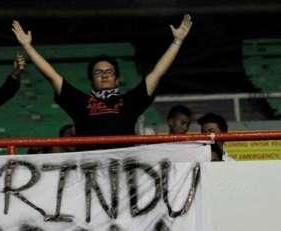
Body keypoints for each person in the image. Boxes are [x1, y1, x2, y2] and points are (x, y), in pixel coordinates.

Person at [12, 15, 193, 147]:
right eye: (98, 72)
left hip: (124, 173)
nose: (104, 75)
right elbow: (51, 75)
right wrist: (27, 46)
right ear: (91, 80)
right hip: (88, 175)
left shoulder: (130, 101)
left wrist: (176, 42)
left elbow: (158, 72)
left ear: (117, 78)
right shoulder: (80, 102)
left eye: (109, 72)